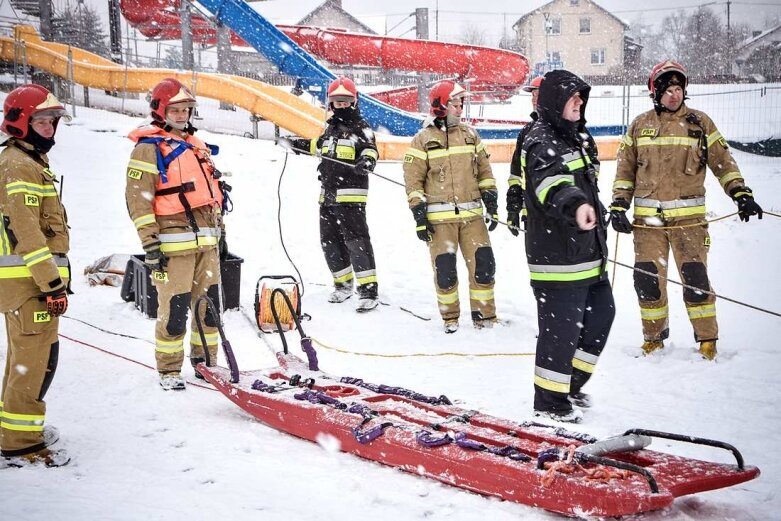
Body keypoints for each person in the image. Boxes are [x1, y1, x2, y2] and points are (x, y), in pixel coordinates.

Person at [612, 60, 763, 360]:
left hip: (688, 224)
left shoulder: (700, 123)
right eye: (667, 89)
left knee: (696, 280)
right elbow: (625, 170)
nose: (674, 95)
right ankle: (653, 339)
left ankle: (707, 340)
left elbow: (724, 163)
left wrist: (740, 194)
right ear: (655, 92)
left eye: (678, 89)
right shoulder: (639, 126)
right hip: (648, 225)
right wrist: (618, 205)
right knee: (647, 280)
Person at [522, 70, 614, 423]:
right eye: (573, 97)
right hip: (557, 258)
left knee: (602, 316)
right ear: (555, 101)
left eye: (581, 97)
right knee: (560, 334)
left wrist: (596, 210)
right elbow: (551, 182)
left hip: (589, 254)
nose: (579, 102)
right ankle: (550, 404)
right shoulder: (540, 139)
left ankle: (570, 384)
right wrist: (576, 204)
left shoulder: (576, 137)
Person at [125, 78, 228, 390]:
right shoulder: (147, 150)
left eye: (187, 109)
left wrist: (221, 232)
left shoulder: (197, 147)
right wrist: (150, 244)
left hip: (207, 245)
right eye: (176, 109)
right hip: (173, 247)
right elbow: (138, 200)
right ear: (161, 110)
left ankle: (206, 364)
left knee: (208, 310)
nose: (182, 114)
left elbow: (210, 195)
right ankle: (169, 370)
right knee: (174, 310)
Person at [0, 84, 71, 466]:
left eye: (52, 121)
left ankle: (14, 431)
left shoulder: (28, 161)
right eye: (42, 121)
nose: (49, 128)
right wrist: (52, 284)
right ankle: (21, 446)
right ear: (20, 123)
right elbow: (26, 232)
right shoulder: (19, 165)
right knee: (35, 362)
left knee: (26, 359)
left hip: (29, 285)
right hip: (30, 285)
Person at [403, 80, 499, 333]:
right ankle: (450, 317)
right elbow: (413, 179)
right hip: (439, 220)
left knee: (484, 266)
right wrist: (419, 214)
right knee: (445, 271)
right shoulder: (422, 139)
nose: (460, 108)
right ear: (440, 106)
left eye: (461, 103)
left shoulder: (471, 135)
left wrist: (491, 197)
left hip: (472, 218)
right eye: (455, 104)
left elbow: (484, 171)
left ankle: (485, 316)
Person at [282, 77, 380, 312]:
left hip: (351, 197)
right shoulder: (331, 129)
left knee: (356, 242)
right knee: (330, 241)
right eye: (337, 101)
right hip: (328, 196)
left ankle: (368, 290)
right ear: (331, 103)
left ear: (354, 102)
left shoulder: (361, 127)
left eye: (346, 101)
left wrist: (366, 161)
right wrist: (297, 144)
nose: (342, 105)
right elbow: (319, 146)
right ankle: (343, 284)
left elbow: (371, 149)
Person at [507, 76, 543, 236]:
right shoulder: (526, 133)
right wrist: (513, 208)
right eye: (532, 96)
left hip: (563, 217)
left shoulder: (568, 130)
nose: (534, 100)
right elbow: (516, 174)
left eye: (539, 95)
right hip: (532, 215)